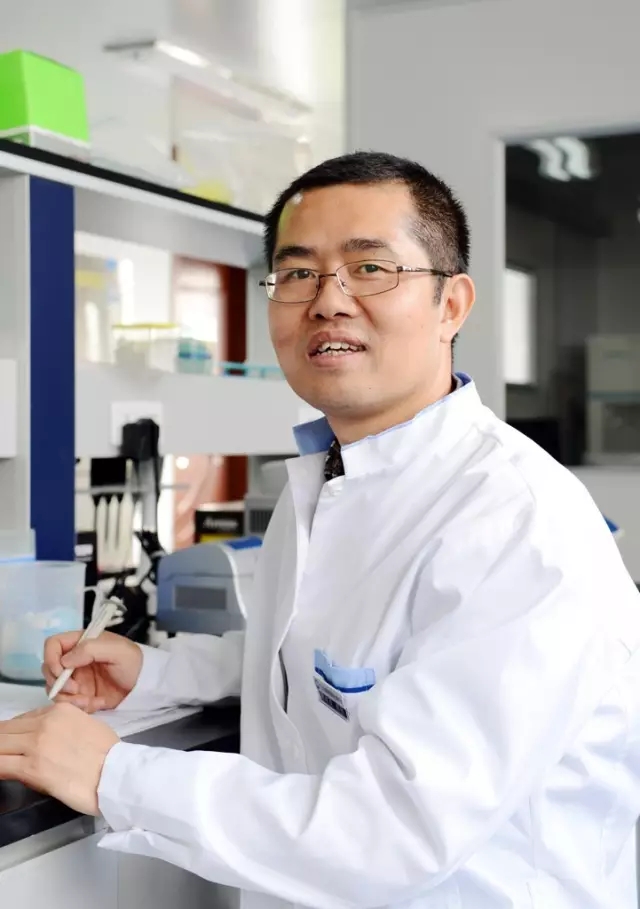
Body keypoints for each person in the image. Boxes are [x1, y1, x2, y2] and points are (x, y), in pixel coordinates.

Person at [1, 150, 640, 909]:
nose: (328, 300)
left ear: (452, 304)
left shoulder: (517, 523)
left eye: (370, 268)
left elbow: (392, 831)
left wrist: (114, 774)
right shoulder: (332, 475)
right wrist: (162, 673)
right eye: (298, 273)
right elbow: (335, 655)